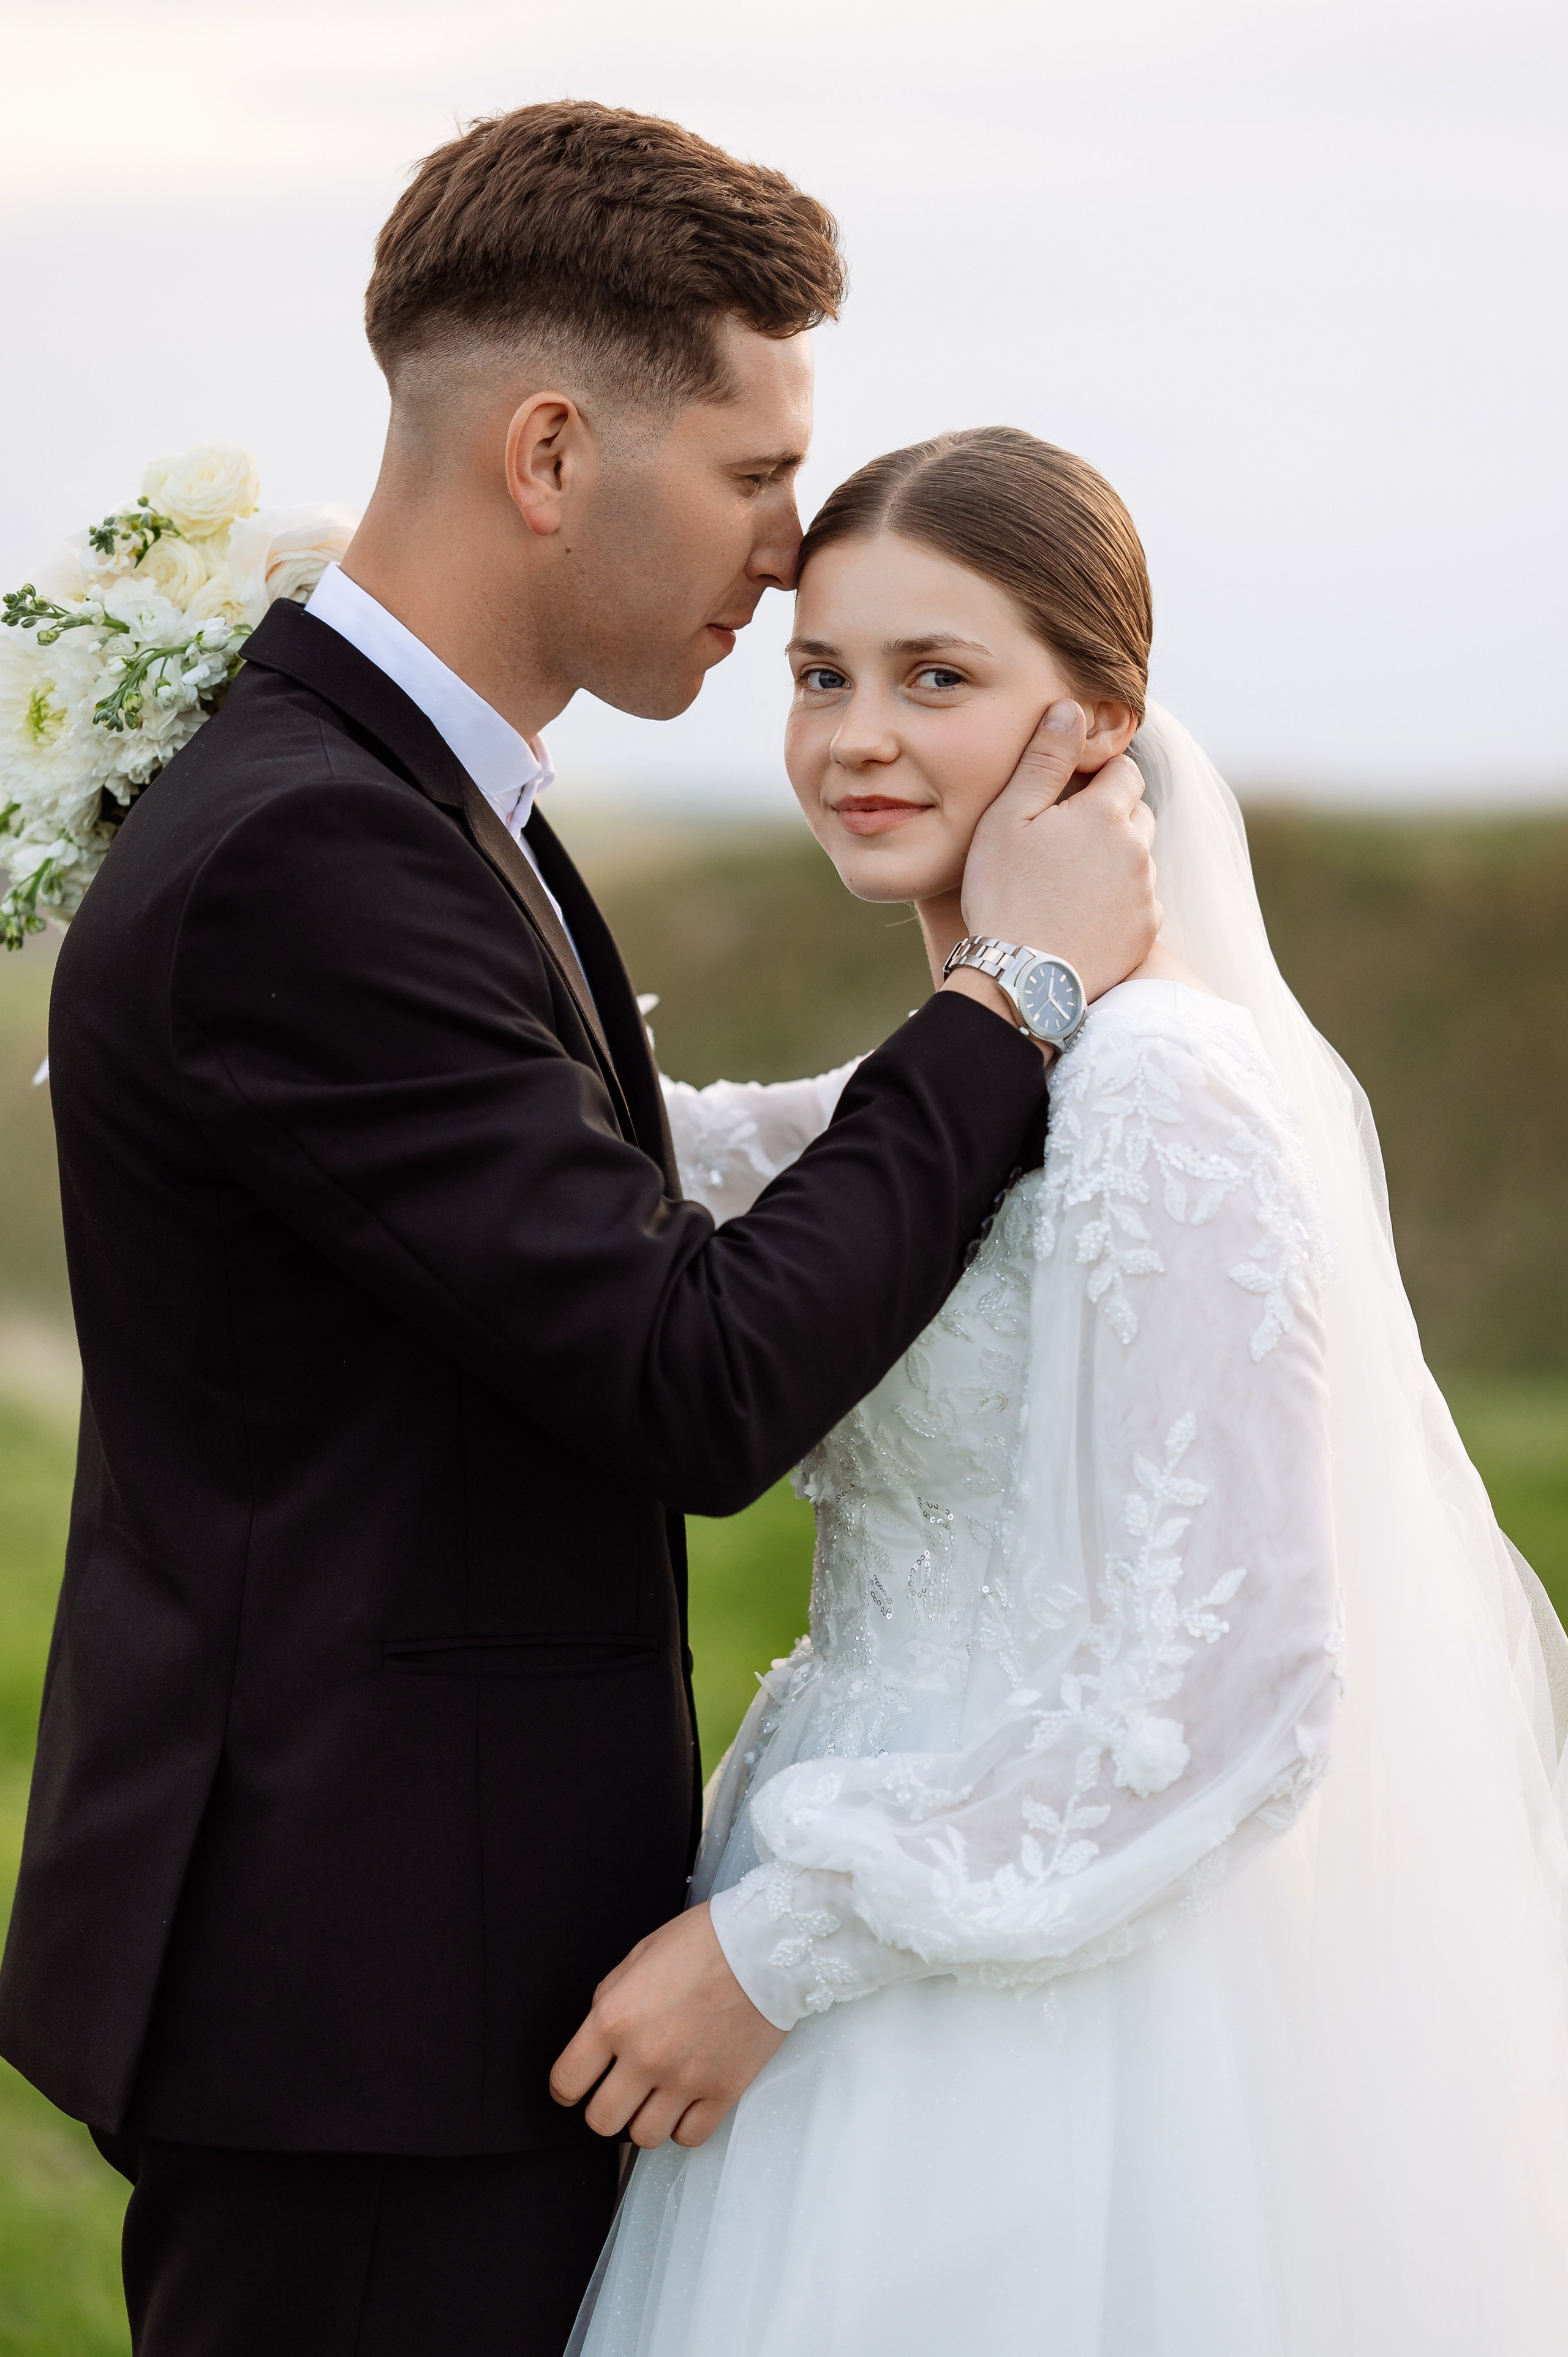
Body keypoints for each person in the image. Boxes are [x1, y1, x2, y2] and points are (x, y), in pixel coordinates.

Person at [0, 111, 1159, 2357]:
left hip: (423, 1975)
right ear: (550, 450)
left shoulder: (413, 800)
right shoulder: (313, 852)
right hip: (365, 2020)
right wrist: (1011, 1007)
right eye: (752, 469)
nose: (788, 543)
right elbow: (690, 1373)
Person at [561, 430, 1568, 2356]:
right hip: (834, 1954)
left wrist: (776, 1955)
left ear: (1092, 731)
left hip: (1016, 2030)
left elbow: (1230, 1685)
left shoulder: (1167, 1090)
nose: (857, 734)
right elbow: (637, 1168)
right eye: (821, 674)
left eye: (938, 678)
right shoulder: (959, 1076)